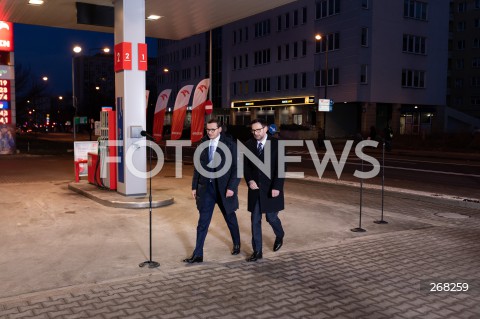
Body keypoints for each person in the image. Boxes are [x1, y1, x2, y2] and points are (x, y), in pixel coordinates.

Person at [184, 118, 241, 263]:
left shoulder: (230, 144)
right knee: (203, 222)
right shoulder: (203, 143)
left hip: (224, 189)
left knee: (230, 218)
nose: (209, 132)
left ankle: (236, 243)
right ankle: (198, 254)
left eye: (212, 130)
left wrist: (231, 187)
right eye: (207, 130)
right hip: (206, 189)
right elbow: (198, 166)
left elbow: (237, 168)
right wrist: (194, 186)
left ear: (220, 129)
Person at [243, 118, 285, 262]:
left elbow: (281, 168)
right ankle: (257, 251)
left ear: (266, 129)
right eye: (253, 130)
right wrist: (250, 180)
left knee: (271, 218)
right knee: (255, 220)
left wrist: (277, 187)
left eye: (258, 130)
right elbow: (246, 167)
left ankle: (280, 235)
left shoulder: (276, 145)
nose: (255, 133)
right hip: (255, 190)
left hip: (271, 189)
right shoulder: (248, 145)